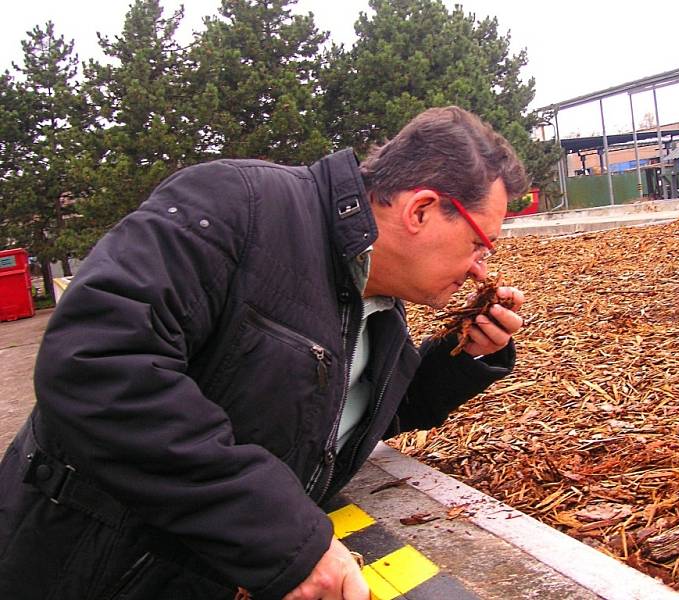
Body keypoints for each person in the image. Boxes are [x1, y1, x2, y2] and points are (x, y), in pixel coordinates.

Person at [0, 106, 527, 599]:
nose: (482, 267)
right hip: (77, 566)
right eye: (481, 243)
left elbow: (330, 422)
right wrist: (283, 539)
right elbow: (97, 367)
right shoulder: (236, 207)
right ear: (423, 209)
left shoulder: (381, 306)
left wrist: (464, 356)